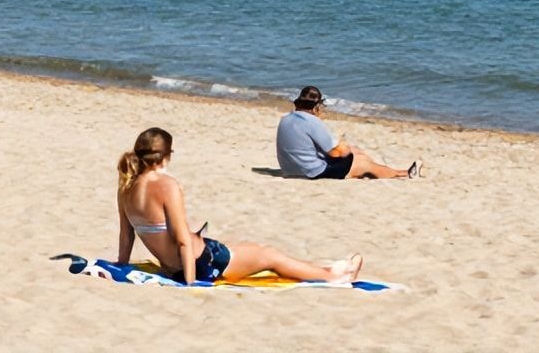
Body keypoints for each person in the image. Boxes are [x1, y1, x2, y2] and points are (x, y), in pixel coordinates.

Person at [116, 126, 361, 285]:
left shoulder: (126, 186)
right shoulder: (167, 185)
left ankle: (326, 268)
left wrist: (122, 265)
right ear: (166, 155)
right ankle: (333, 276)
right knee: (269, 255)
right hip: (204, 263)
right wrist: (190, 284)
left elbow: (127, 235)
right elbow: (182, 241)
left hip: (177, 266)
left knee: (251, 249)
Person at [277, 86, 419, 180]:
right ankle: (403, 173)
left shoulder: (286, 119)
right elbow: (337, 153)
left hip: (289, 169)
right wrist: (345, 147)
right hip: (311, 172)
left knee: (355, 153)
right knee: (360, 161)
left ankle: (379, 169)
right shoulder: (313, 122)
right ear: (316, 107)